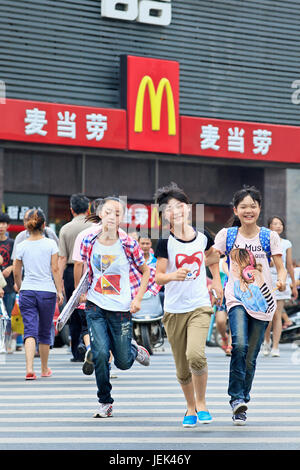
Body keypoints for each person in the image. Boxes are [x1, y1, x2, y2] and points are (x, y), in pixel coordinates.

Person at [79, 196, 160, 418]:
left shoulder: (128, 244)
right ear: (100, 215)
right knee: (100, 354)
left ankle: (134, 350)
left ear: (122, 218)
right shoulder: (88, 241)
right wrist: (83, 294)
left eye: (117, 213)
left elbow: (146, 272)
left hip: (121, 310)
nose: (112, 217)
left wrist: (138, 299)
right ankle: (105, 401)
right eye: (108, 212)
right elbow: (85, 269)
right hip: (95, 307)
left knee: (123, 362)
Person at [213, 185, 287, 425]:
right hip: (236, 298)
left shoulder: (269, 236)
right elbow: (212, 257)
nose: (248, 210)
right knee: (240, 345)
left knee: (252, 354)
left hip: (263, 300)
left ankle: (243, 399)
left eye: (252, 206)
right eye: (243, 206)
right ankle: (236, 398)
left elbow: (280, 265)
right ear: (236, 210)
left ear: (259, 209)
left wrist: (283, 279)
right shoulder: (228, 235)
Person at [154, 182, 222, 428]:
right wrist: (174, 275)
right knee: (182, 368)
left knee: (195, 354)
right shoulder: (164, 242)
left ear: (189, 209)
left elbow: (213, 257)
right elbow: (158, 276)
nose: (176, 211)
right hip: (173, 311)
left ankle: (202, 403)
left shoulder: (203, 235)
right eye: (169, 208)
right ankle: (190, 408)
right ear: (164, 216)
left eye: (180, 206)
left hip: (199, 305)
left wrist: (216, 281)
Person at [13, 209, 64, 380]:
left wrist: (20, 287)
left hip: (27, 291)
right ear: (44, 225)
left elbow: (16, 271)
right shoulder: (51, 244)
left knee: (29, 330)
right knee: (44, 329)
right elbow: (55, 269)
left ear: (27, 226)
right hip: (47, 291)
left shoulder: (21, 246)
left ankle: (29, 369)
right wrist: (59, 290)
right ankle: (44, 369)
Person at [58, 193, 92, 362]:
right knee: (91, 309)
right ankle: (89, 345)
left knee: (73, 310)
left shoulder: (65, 229)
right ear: (88, 209)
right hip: (92, 271)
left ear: (71, 210)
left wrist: (59, 284)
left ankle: (77, 352)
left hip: (72, 272)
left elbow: (62, 259)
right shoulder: (94, 226)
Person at [72, 198, 103, 375]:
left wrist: (78, 289)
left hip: (88, 287)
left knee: (86, 325)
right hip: (110, 290)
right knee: (107, 325)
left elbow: (78, 263)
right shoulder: (118, 233)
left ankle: (90, 347)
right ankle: (106, 363)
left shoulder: (84, 235)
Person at [262, 216, 298, 357]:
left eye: (280, 224)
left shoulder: (286, 243)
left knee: (278, 315)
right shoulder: (264, 241)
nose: (278, 226)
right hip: (266, 280)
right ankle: (266, 341)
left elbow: (289, 265)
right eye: (275, 224)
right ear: (269, 227)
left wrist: (293, 285)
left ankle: (275, 346)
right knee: (268, 315)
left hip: (282, 281)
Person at [0, 212, 18, 353]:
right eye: (0, 223)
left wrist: (10, 268)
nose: (1, 226)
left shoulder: (12, 243)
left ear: (8, 226)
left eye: (4, 223)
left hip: (10, 285)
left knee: (10, 315)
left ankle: (9, 342)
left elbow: (17, 262)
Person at [215, 255, 232, 356]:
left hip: (236, 291)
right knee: (220, 321)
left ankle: (230, 345)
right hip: (222, 292)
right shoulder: (219, 259)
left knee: (235, 320)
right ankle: (224, 337)